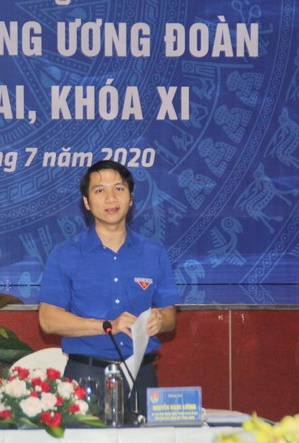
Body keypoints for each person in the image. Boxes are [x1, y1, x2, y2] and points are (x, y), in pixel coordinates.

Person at [38, 160, 179, 418]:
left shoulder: (154, 253)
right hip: (85, 376)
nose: (111, 198)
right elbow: (48, 320)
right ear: (86, 202)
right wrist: (107, 326)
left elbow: (170, 317)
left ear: (131, 198)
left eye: (119, 189)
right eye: (100, 190)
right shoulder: (65, 254)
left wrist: (161, 319)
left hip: (142, 375)